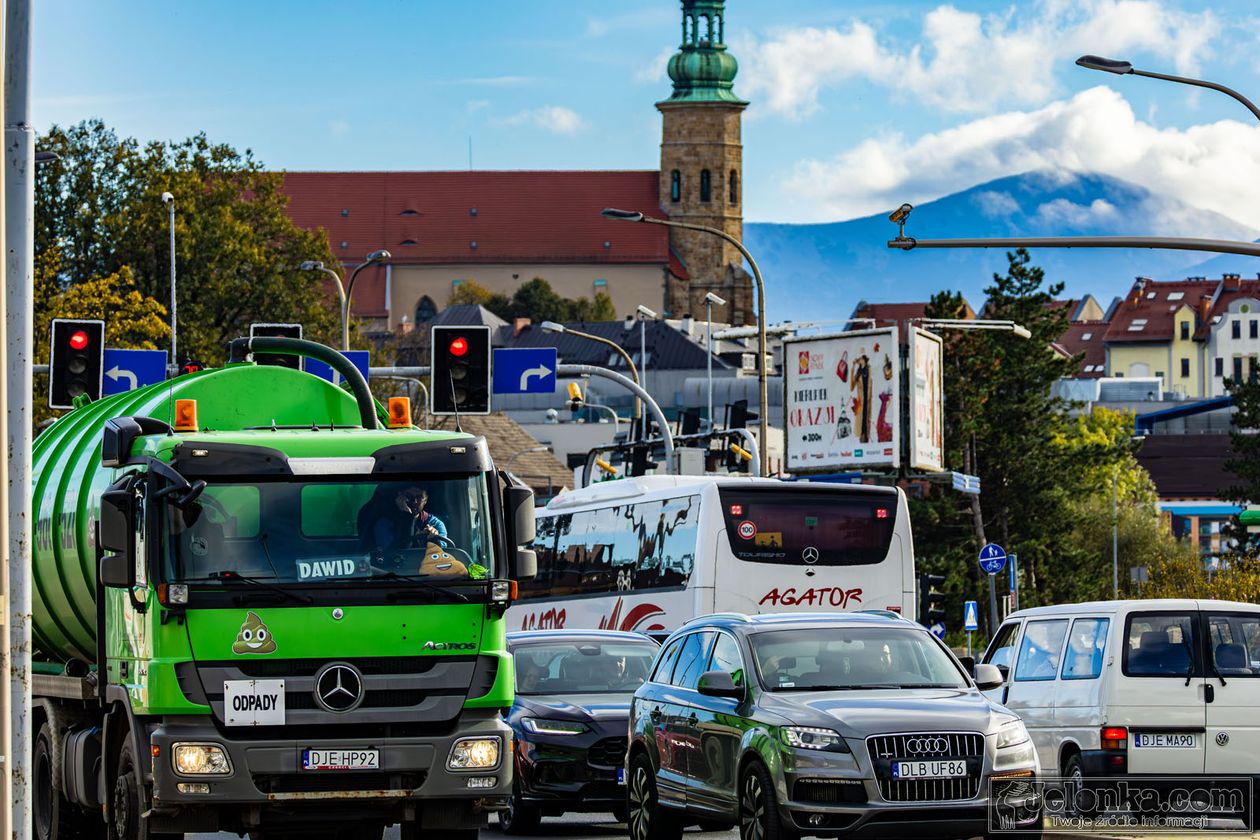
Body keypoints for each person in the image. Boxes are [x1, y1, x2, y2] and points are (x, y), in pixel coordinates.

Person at [359, 484, 448, 554]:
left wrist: (434, 539)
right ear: (400, 497)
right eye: (409, 496)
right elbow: (391, 554)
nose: (414, 502)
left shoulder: (435, 524)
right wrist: (407, 516)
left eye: (419, 497)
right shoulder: (385, 524)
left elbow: (444, 556)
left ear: (425, 500)